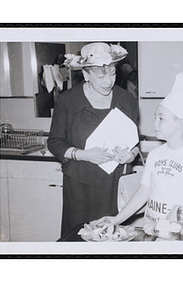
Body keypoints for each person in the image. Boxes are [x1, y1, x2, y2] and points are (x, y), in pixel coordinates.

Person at [93, 72, 183, 235]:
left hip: (178, 237)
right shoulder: (155, 154)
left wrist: (165, 226)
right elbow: (143, 193)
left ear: (180, 124)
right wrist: (116, 219)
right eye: (155, 117)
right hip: (150, 230)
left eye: (161, 118)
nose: (154, 123)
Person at [47, 42, 140, 237]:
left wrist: (130, 156)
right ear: (86, 75)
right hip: (80, 188)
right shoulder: (68, 100)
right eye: (101, 76)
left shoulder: (127, 100)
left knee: (113, 239)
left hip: (115, 184)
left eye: (112, 73)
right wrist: (84, 155)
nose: (108, 81)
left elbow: (134, 142)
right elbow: (54, 142)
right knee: (79, 238)